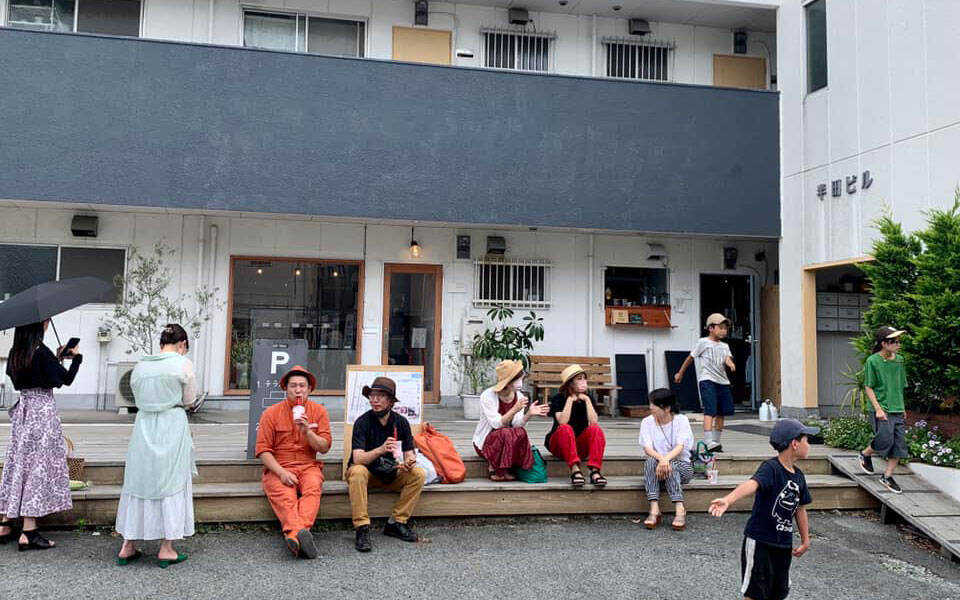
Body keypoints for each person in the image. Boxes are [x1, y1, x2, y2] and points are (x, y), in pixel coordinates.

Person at [115, 324, 198, 568]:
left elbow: (135, 395)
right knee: (172, 482)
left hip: (144, 424)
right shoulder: (183, 364)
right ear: (182, 344)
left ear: (161, 343)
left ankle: (128, 544)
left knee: (138, 480)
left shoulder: (141, 366)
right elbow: (190, 400)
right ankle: (166, 547)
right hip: (172, 422)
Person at [709, 419, 816, 600]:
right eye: (807, 440)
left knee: (778, 592)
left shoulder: (799, 477)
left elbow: (800, 509)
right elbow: (752, 484)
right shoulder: (771, 468)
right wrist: (728, 500)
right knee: (755, 592)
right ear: (794, 444)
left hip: (783, 544)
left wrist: (806, 540)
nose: (809, 445)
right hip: (760, 542)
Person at [0, 319, 81, 551]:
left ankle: (4, 522)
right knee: (38, 466)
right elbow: (65, 379)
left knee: (18, 463)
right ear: (38, 325)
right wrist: (76, 358)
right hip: (42, 412)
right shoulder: (41, 352)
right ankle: (29, 530)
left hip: (24, 412)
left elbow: (30, 375)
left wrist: (55, 359)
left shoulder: (16, 352)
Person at [255, 365, 332, 559]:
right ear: (285, 388)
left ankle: (294, 536)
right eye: (293, 386)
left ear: (309, 389)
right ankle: (300, 534)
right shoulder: (271, 413)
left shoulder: (319, 411)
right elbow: (263, 450)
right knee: (286, 496)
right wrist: (281, 472)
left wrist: (308, 432)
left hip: (308, 465)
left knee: (313, 487)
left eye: (302, 386)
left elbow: (324, 447)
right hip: (279, 465)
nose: (298, 390)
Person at [346, 376, 426, 553]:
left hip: (391, 472)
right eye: (372, 396)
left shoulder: (401, 422)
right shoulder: (362, 422)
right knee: (357, 471)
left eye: (381, 396)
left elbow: (409, 453)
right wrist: (380, 450)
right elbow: (357, 458)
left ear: (391, 401)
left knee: (418, 474)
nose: (375, 400)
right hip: (367, 474)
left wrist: (409, 462)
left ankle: (397, 522)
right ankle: (362, 527)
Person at [471, 359, 549, 481]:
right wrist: (514, 409)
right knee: (505, 432)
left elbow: (517, 424)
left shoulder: (519, 396)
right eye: (516, 378)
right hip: (487, 443)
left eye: (520, 378)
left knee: (520, 432)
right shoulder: (488, 396)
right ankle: (495, 469)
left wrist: (529, 414)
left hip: (508, 442)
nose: (520, 381)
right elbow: (496, 424)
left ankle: (508, 468)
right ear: (508, 382)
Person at [674, 313, 736, 452]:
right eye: (720, 327)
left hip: (723, 381)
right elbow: (690, 358)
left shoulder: (725, 346)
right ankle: (708, 441)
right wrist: (680, 373)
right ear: (711, 328)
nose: (724, 331)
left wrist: (730, 364)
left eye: (725, 328)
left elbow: (727, 358)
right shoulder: (703, 342)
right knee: (710, 410)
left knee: (721, 412)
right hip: (708, 380)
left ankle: (716, 441)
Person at [858, 326, 908, 494]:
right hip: (881, 408)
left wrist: (902, 407)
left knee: (899, 444)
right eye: (894, 341)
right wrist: (878, 409)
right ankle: (865, 454)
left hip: (897, 408)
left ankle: (887, 476)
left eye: (898, 341)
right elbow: (868, 387)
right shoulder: (873, 361)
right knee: (885, 439)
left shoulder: (900, 360)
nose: (898, 344)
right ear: (884, 343)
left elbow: (900, 385)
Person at [638, 388, 695, 531]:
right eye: (651, 403)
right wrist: (662, 460)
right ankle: (654, 508)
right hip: (657, 468)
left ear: (667, 408)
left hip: (683, 467)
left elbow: (681, 446)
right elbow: (647, 448)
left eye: (654, 404)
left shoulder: (681, 420)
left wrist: (666, 460)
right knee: (650, 461)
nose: (651, 407)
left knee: (672, 465)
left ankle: (679, 508)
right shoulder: (647, 422)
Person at [544, 364, 607, 488]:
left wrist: (587, 400)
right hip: (559, 444)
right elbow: (562, 421)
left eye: (584, 378)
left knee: (596, 429)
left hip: (579, 446)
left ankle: (595, 471)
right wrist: (570, 400)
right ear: (570, 383)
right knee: (565, 428)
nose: (583, 381)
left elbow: (593, 422)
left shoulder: (588, 398)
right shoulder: (558, 399)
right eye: (579, 379)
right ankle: (575, 469)